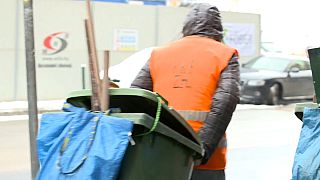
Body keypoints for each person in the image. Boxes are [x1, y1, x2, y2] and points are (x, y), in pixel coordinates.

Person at [131, 3, 240, 180]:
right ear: (217, 28)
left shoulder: (159, 54)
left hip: (161, 152)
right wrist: (202, 147)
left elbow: (137, 97)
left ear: (186, 26)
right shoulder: (225, 54)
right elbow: (226, 101)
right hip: (206, 161)